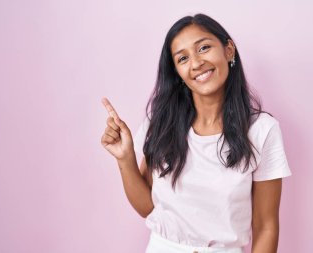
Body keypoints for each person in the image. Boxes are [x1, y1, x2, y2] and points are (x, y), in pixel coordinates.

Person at [101, 13, 292, 253]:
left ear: (229, 50)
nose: (196, 63)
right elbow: (148, 208)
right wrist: (125, 158)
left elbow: (266, 227)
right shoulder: (161, 122)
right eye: (182, 58)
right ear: (177, 73)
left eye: (203, 48)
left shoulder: (262, 130)